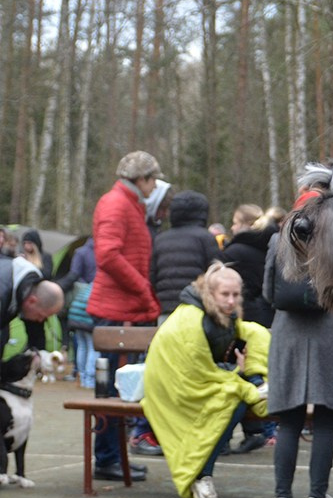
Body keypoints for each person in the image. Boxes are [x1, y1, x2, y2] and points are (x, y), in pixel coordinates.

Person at [264, 183, 333, 498]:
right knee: (325, 419)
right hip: (332, 331)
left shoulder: (278, 240)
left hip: (288, 333)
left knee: (288, 420)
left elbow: (268, 291)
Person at [142, 262, 271, 498]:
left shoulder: (224, 315)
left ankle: (258, 382)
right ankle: (201, 476)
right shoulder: (191, 320)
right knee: (233, 401)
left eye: (236, 294)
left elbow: (224, 352)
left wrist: (246, 376)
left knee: (254, 337)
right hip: (171, 386)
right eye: (225, 294)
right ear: (210, 293)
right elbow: (195, 369)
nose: (231, 301)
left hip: (197, 380)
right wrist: (243, 383)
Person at [87, 150, 163, 478]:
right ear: (141, 178)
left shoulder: (127, 203)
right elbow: (107, 255)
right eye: (153, 178)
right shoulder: (116, 204)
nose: (155, 185)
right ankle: (107, 459)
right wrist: (143, 289)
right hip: (116, 312)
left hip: (124, 309)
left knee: (122, 387)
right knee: (114, 389)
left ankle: (114, 456)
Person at [223, 205, 282, 452]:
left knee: (236, 370)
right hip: (265, 316)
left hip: (240, 317)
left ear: (246, 224)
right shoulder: (273, 246)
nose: (232, 227)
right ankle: (259, 430)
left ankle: (226, 435)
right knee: (258, 370)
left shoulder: (234, 251)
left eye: (236, 222)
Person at [0, 255, 64, 438]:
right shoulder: (4, 290)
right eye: (42, 316)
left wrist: (41, 356)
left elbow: (35, 331)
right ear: (32, 301)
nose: (41, 320)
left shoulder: (32, 284)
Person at [150, 190, 222, 321]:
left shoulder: (160, 239)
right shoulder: (206, 238)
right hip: (198, 307)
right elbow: (216, 272)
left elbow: (152, 275)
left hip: (167, 308)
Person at [63, 237, 98, 389]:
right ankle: (90, 380)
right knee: (92, 346)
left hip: (76, 308)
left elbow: (74, 274)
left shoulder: (80, 252)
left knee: (82, 345)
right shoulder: (100, 253)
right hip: (90, 307)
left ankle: (82, 377)